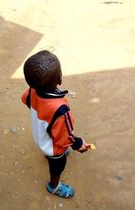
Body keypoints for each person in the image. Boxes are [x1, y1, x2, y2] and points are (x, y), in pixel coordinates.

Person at [21, 50, 91, 198]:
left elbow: (25, 98)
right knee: (58, 165)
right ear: (59, 79)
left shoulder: (33, 90)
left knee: (52, 150)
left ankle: (49, 157)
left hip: (40, 136)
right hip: (53, 148)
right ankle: (54, 186)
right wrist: (78, 144)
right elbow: (64, 137)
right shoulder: (60, 110)